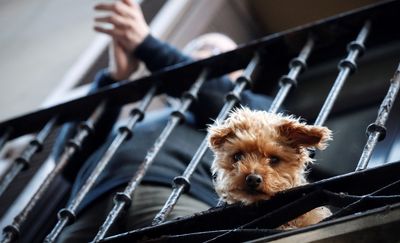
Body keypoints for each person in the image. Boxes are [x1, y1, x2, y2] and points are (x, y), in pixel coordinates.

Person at [55, 0, 273, 242]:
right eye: (203, 47)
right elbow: (66, 159)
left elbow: (216, 93)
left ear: (239, 77)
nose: (210, 55)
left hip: (182, 196)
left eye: (223, 54)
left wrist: (146, 45)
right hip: (89, 207)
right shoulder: (135, 123)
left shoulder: (254, 108)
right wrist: (115, 80)